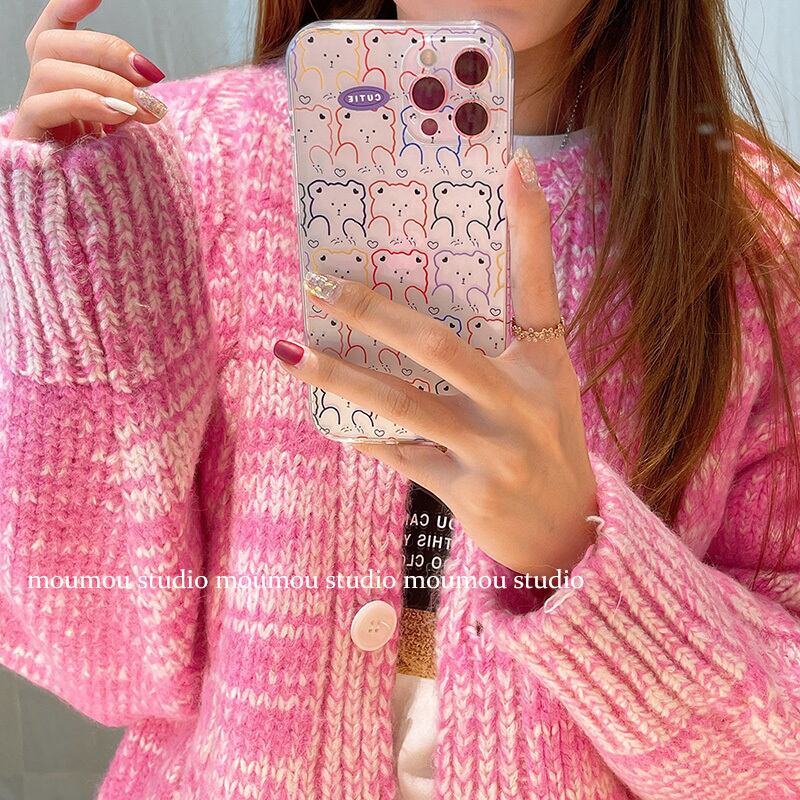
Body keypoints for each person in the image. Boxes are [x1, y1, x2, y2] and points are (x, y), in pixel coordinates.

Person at [1, 0, 799, 798]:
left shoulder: (753, 239)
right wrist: (72, 273)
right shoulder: (187, 157)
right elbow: (103, 668)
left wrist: (574, 549)